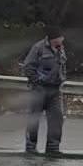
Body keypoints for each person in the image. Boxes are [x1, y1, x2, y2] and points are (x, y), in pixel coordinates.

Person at [22, 26, 67, 155]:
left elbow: (62, 66)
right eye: (60, 38)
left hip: (55, 90)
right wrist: (36, 81)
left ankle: (53, 148)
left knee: (57, 119)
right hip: (39, 89)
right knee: (34, 118)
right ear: (54, 38)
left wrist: (62, 78)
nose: (62, 40)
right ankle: (31, 147)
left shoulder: (61, 49)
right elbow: (28, 66)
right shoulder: (39, 48)